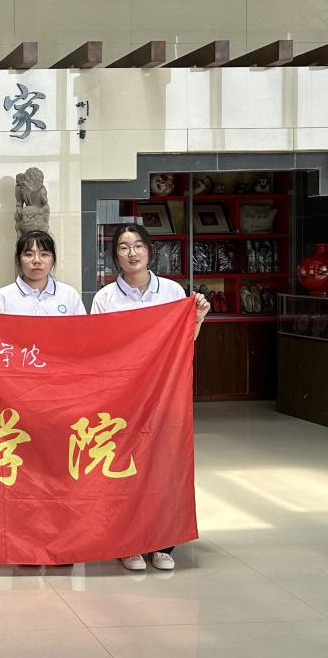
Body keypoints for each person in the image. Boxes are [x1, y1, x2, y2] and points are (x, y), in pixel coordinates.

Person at [91, 223, 210, 572]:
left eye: (138, 245)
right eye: (124, 247)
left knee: (162, 466)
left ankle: (161, 542)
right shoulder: (105, 298)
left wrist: (198, 319)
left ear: (149, 250)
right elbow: (95, 349)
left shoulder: (171, 292)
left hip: (163, 394)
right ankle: (128, 543)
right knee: (123, 466)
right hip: (122, 397)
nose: (132, 253)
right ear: (115, 255)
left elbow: (183, 343)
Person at [0, 230, 85, 316]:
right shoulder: (3, 297)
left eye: (44, 254)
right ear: (18, 259)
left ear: (53, 259)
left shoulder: (69, 295)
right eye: (29, 254)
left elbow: (82, 329)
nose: (37, 260)